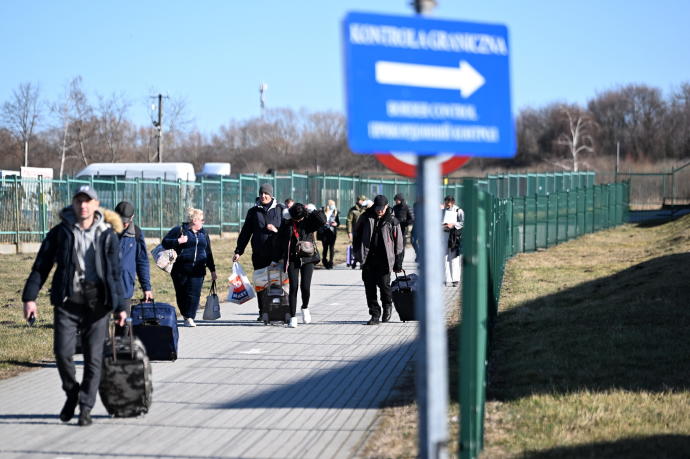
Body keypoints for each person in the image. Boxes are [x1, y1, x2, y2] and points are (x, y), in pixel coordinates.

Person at [22, 185, 128, 426]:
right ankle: (72, 393)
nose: (83, 205)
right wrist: (30, 298)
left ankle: (86, 407)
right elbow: (41, 266)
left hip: (98, 304)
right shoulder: (60, 232)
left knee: (93, 358)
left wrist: (121, 306)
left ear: (95, 204)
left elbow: (114, 273)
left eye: (87, 201)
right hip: (68, 303)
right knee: (62, 353)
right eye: (79, 201)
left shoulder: (107, 234)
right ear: (73, 204)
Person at [233, 183, 284, 320]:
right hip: (259, 253)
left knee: (274, 284)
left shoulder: (280, 210)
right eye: (261, 194)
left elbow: (287, 231)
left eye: (266, 193)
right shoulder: (253, 211)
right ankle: (263, 312)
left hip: (276, 254)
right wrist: (239, 250)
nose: (263, 196)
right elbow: (245, 233)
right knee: (261, 284)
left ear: (271, 194)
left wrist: (276, 230)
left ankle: (274, 311)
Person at [353, 195, 404, 325]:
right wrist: (358, 254)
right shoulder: (365, 218)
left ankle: (387, 306)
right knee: (369, 288)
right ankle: (374, 313)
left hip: (385, 260)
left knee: (384, 286)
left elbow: (399, 244)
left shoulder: (392, 220)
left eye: (382, 208)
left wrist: (398, 262)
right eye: (377, 207)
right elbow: (357, 237)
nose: (380, 210)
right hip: (368, 259)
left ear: (386, 206)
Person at [162, 207, 217, 327]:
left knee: (194, 294)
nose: (203, 222)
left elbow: (208, 252)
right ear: (194, 220)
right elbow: (165, 242)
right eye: (201, 220)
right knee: (181, 293)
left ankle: (190, 317)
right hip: (180, 270)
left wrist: (212, 270)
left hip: (198, 270)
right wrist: (178, 241)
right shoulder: (180, 230)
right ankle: (185, 314)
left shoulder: (204, 233)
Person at [278, 203, 327, 327]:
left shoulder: (309, 221)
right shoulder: (288, 222)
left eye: (300, 218)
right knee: (293, 287)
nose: (298, 220)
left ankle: (305, 308)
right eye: (296, 218)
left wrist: (313, 211)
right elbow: (279, 239)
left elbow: (323, 221)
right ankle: (293, 316)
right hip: (293, 258)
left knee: (305, 286)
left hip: (308, 258)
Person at [114, 201, 153, 313]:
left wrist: (147, 288)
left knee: (124, 325)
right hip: (104, 289)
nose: (122, 224)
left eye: (125, 222)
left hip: (125, 287)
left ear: (132, 217)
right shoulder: (104, 232)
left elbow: (142, 262)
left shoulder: (136, 233)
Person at [442, 195, 465, 287]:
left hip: (454, 236)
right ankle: (446, 279)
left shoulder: (458, 211)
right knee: (444, 258)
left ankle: (455, 279)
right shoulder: (442, 211)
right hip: (443, 235)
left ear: (453, 202)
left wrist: (453, 224)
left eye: (449, 202)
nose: (447, 204)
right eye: (446, 202)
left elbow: (463, 222)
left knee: (454, 258)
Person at [346, 195, 367, 269]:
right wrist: (349, 232)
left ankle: (362, 262)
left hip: (365, 232)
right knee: (355, 247)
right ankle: (355, 260)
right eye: (360, 200)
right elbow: (349, 221)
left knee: (363, 247)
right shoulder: (353, 209)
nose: (361, 201)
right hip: (356, 232)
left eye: (363, 200)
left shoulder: (366, 209)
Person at [318, 199, 340, 269]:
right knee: (325, 248)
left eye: (334, 205)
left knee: (332, 248)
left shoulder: (335, 212)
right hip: (324, 232)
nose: (333, 206)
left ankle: (331, 262)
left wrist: (336, 224)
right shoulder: (323, 212)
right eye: (332, 205)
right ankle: (324, 260)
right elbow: (320, 221)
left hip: (332, 232)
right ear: (328, 205)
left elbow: (338, 223)